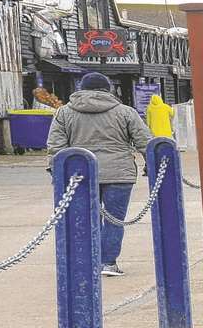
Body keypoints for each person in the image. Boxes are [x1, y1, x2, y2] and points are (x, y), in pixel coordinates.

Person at [45, 72, 152, 277]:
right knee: (114, 219)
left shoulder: (64, 113)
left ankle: (84, 263)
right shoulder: (126, 112)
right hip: (119, 174)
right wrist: (154, 165)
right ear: (108, 89)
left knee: (82, 219)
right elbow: (144, 141)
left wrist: (56, 172)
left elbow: (56, 146)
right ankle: (108, 263)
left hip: (79, 175)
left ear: (81, 88)